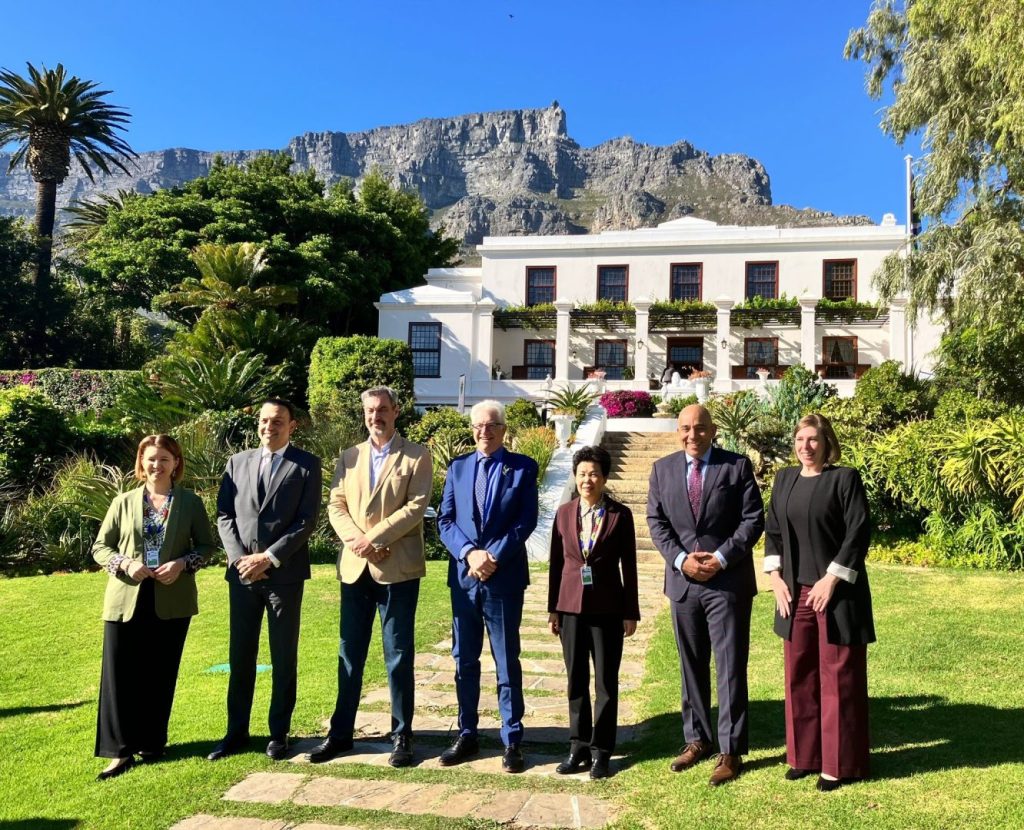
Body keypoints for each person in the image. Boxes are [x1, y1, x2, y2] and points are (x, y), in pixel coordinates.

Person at [309, 386, 433, 768]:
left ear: (396, 411)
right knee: (349, 653)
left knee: (397, 655)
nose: (375, 416)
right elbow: (336, 503)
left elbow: (416, 507)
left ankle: (402, 735)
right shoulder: (349, 457)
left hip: (397, 569)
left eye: (382, 409)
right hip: (355, 568)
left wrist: (373, 539)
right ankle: (341, 733)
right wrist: (356, 541)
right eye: (369, 411)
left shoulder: (417, 455)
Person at [647, 404, 764, 786]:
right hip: (684, 583)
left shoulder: (736, 466)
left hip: (726, 583)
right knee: (690, 664)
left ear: (713, 430)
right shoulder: (662, 469)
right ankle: (696, 739)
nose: (692, 435)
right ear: (676, 431)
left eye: (699, 428)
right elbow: (656, 521)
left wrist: (720, 557)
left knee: (730, 666)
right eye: (684, 428)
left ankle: (730, 750)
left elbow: (752, 520)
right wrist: (681, 560)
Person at [92, 434, 215, 780]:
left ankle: (151, 742)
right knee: (118, 675)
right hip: (125, 598)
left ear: (176, 463)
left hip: (171, 598)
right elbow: (101, 547)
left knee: (160, 673)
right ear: (141, 463)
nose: (157, 465)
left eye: (164, 459)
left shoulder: (190, 503)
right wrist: (124, 563)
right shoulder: (123, 501)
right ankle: (118, 751)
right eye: (151, 459)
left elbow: (205, 546)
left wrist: (182, 563)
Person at [764, 413, 874, 791]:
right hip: (795, 595)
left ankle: (839, 764)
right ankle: (803, 756)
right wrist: (775, 578)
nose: (805, 447)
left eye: (813, 440)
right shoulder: (784, 480)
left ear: (826, 443)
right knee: (799, 676)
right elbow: (774, 530)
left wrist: (831, 578)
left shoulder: (844, 479)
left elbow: (858, 532)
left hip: (836, 594)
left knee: (838, 678)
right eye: (800, 440)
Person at [208, 399, 322, 762]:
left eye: (277, 421)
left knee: (282, 656)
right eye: (263, 420)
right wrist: (242, 559)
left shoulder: (306, 465)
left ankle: (278, 733)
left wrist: (268, 557)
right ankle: (236, 732)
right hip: (242, 576)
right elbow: (224, 514)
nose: (269, 426)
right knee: (240, 656)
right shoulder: (236, 462)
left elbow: (306, 521)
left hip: (283, 576)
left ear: (292, 426)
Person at [437, 399, 538, 773]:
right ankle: (467, 733)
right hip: (465, 580)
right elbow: (445, 520)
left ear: (503, 429)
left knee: (506, 660)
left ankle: (511, 739)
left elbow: (525, 521)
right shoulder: (458, 467)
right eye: (478, 425)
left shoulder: (523, 468)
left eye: (491, 425)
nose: (484, 431)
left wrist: (490, 555)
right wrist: (468, 554)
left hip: (503, 576)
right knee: (464, 659)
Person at [547, 445, 640, 780]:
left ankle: (602, 751)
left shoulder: (619, 515)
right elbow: (556, 564)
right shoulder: (563, 513)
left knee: (605, 682)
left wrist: (631, 611)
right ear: (575, 476)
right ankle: (578, 746)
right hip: (570, 608)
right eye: (583, 473)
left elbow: (629, 565)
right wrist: (553, 609)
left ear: (604, 477)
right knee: (575, 679)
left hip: (608, 609)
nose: (588, 479)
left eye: (594, 474)